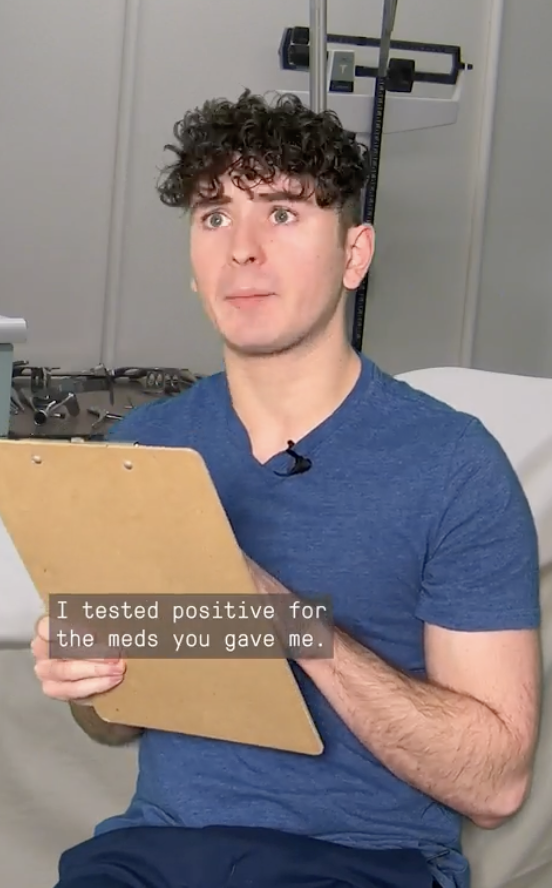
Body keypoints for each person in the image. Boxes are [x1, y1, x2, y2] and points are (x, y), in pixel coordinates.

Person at [32, 90, 542, 888]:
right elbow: (112, 725)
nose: (242, 249)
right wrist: (87, 678)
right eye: (214, 216)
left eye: (281, 213)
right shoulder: (142, 447)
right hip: (155, 851)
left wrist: (281, 617)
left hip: (363, 863)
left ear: (354, 255)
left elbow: (495, 786)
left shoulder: (454, 466)